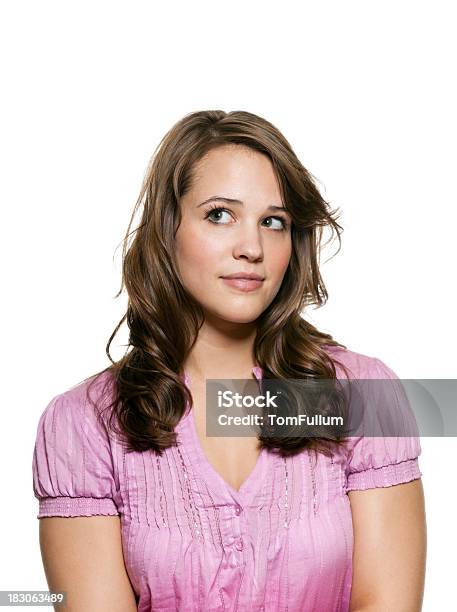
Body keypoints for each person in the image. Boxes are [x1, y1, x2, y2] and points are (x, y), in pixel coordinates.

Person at [32, 110, 427, 611]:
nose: (252, 247)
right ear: (168, 229)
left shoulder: (363, 396)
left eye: (273, 221)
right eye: (220, 214)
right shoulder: (83, 423)